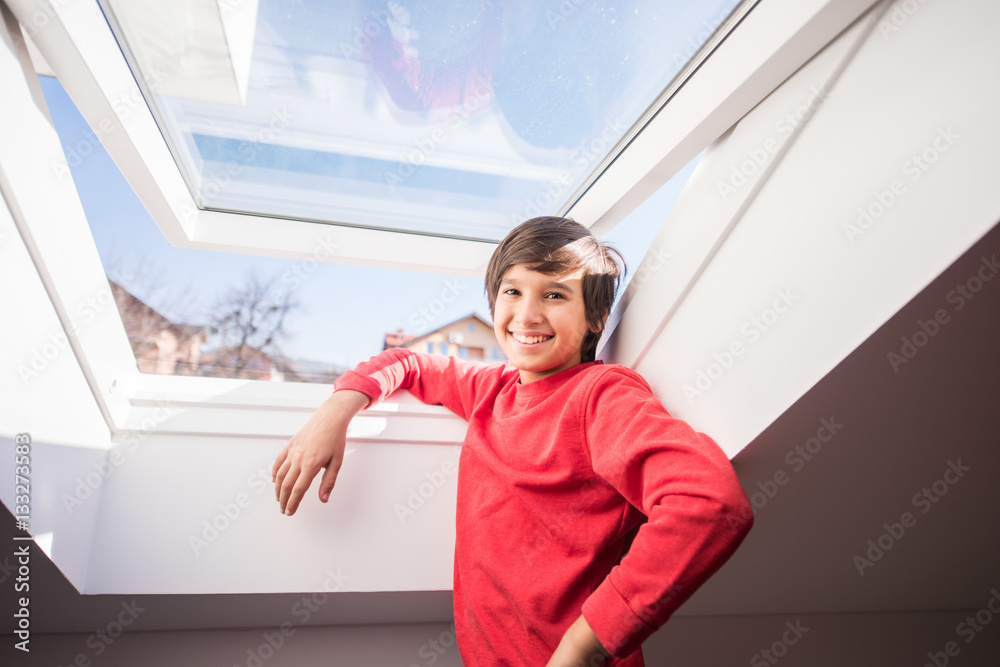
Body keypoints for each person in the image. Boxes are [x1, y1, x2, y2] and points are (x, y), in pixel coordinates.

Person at [272, 216, 753, 666]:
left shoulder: (599, 395)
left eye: (555, 296)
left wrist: (583, 647)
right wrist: (335, 411)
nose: (527, 314)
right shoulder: (491, 389)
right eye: (513, 291)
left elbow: (708, 503)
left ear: (596, 317)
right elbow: (411, 363)